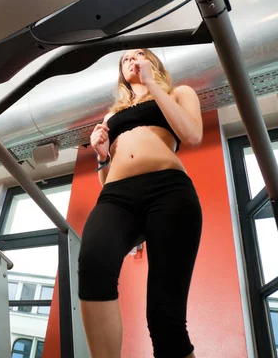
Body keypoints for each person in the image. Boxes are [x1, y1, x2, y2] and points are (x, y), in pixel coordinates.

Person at [78, 49, 204, 358]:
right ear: (121, 73)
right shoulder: (111, 115)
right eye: (125, 59)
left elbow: (192, 135)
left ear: (152, 62)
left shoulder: (178, 93)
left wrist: (152, 82)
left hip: (169, 189)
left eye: (139, 55)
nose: (131, 60)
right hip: (117, 195)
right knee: (92, 267)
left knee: (164, 317)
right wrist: (102, 155)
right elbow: (105, 181)